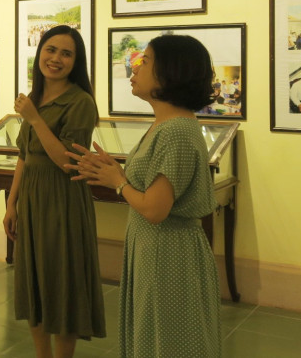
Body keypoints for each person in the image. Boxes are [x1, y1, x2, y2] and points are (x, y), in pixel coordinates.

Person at [66, 34, 221, 358]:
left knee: (170, 341)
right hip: (155, 248)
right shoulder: (165, 125)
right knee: (154, 337)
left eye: (145, 61)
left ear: (170, 72)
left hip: (169, 254)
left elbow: (154, 209)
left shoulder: (176, 131)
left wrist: (118, 182)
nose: (135, 67)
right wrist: (115, 171)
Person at [3, 25, 105, 357]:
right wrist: (12, 203)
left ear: (77, 62)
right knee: (32, 279)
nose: (56, 58)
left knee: (63, 282)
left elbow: (67, 162)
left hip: (62, 200)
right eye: (50, 49)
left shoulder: (80, 102)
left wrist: (35, 119)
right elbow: (24, 156)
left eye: (66, 53)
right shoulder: (35, 99)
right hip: (32, 200)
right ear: (39, 53)